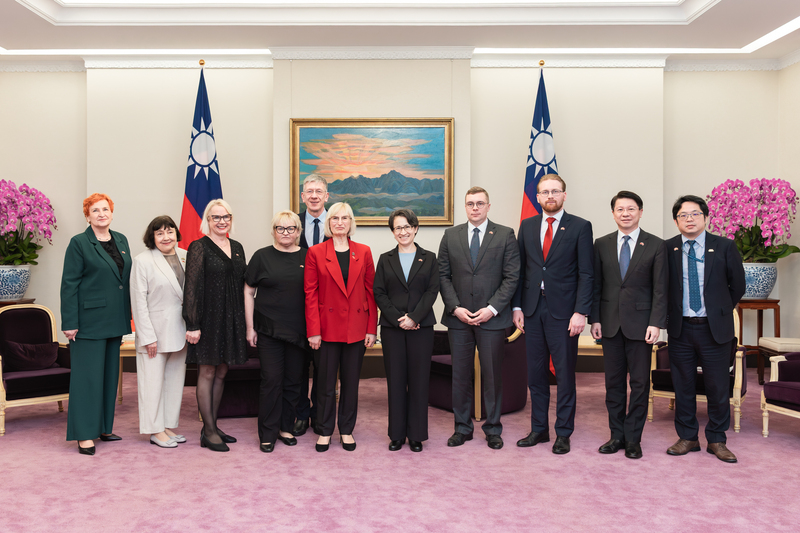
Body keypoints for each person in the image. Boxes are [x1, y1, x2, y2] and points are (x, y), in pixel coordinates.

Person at [512, 174, 593, 455]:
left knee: (565, 376)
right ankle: (539, 430)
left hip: (564, 313)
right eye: (544, 192)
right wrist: (517, 306)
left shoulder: (580, 227)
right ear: (537, 197)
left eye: (555, 191)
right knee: (535, 375)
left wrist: (581, 311)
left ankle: (563, 432)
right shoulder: (527, 225)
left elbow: (586, 273)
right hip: (532, 310)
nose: (550, 196)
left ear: (564, 195)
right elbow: (521, 270)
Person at [664, 195, 745, 463]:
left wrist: (720, 310)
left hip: (715, 330)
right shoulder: (668, 249)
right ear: (676, 221)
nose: (689, 219)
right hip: (681, 329)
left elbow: (738, 286)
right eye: (683, 215)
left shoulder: (724, 246)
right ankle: (687, 437)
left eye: (695, 214)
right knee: (683, 385)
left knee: (717, 387)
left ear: (706, 217)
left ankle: (717, 439)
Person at [438, 186, 520, 450]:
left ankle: (493, 429)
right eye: (470, 203)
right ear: (465, 207)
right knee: (460, 375)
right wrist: (455, 307)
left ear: (488, 206)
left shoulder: (505, 235)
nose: (475, 208)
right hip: (458, 319)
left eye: (480, 203)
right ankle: (462, 428)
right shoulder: (451, 235)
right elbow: (443, 275)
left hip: (492, 319)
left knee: (492, 375)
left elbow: (512, 277)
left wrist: (492, 308)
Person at [589, 191, 667, 459]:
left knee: (640, 383)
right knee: (613, 384)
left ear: (640, 212)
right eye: (620, 209)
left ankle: (634, 438)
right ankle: (616, 435)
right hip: (609, 324)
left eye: (631, 209)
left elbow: (660, 289)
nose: (625, 213)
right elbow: (596, 285)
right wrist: (595, 318)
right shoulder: (601, 244)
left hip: (642, 326)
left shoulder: (656, 245)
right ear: (613, 213)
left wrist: (656, 323)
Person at [60, 193, 132, 455]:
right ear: (87, 216)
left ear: (111, 213)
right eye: (95, 210)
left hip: (115, 320)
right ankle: (84, 434)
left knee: (108, 377)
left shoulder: (121, 239)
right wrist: (70, 322)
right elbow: (69, 284)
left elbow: (124, 280)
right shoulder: (79, 243)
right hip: (88, 322)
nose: (101, 214)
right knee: (87, 380)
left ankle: (103, 427)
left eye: (105, 209)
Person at [304, 202, 377, 452]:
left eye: (345, 218)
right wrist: (313, 330)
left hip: (357, 328)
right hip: (325, 329)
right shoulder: (315, 252)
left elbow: (371, 292)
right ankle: (324, 431)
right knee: (324, 383)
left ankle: (346, 430)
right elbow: (310, 294)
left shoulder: (364, 252)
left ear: (351, 222)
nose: (339, 222)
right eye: (335, 218)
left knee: (350, 383)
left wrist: (371, 329)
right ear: (328, 222)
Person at [183, 199, 248, 452]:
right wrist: (193, 323)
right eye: (216, 217)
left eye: (226, 217)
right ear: (207, 221)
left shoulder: (238, 247)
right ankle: (208, 431)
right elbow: (192, 287)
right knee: (207, 371)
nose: (222, 221)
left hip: (232, 317)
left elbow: (244, 283)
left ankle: (212, 425)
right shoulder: (198, 247)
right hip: (207, 319)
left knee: (222, 371)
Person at [374, 209, 439, 452]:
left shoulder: (429, 258)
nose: (403, 231)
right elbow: (378, 292)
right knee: (396, 381)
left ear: (415, 228)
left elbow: (432, 291)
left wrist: (413, 317)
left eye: (407, 226)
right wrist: (397, 318)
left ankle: (417, 435)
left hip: (421, 328)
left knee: (419, 382)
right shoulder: (385, 258)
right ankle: (397, 435)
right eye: (397, 228)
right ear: (393, 232)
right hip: (392, 328)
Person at [245, 210, 310, 453]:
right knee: (271, 381)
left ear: (298, 232)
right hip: (268, 330)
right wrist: (250, 327)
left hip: (299, 332)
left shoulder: (308, 256)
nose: (285, 233)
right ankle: (268, 433)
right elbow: (248, 291)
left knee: (294, 382)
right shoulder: (261, 256)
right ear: (273, 231)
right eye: (280, 228)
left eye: (290, 228)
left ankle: (285, 427)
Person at [130, 216, 188, 449]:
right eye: (160, 233)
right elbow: (138, 302)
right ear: (152, 237)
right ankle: (154, 430)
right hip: (154, 333)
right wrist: (147, 337)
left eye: (170, 231)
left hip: (181, 331)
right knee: (151, 383)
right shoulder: (142, 260)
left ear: (176, 233)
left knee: (174, 381)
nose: (166, 237)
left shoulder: (186, 255)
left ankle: (165, 425)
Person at [294, 173, 330, 436]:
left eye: (319, 191)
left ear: (326, 196)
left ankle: (320, 414)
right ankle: (300, 413)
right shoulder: (291, 223)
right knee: (298, 365)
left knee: (324, 367)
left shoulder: (338, 222)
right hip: (297, 305)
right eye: (310, 191)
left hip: (329, 308)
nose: (314, 195)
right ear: (303, 196)